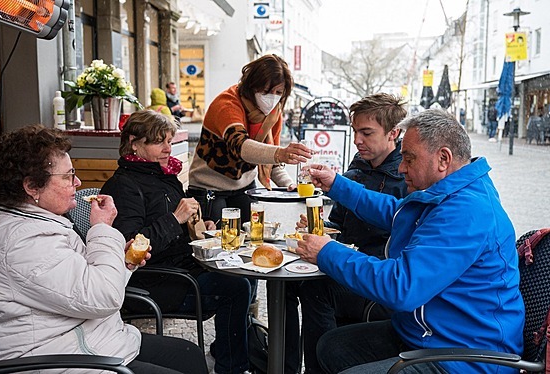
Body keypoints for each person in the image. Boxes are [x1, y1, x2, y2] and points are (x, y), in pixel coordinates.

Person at [296, 109, 524, 374]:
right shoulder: (449, 191)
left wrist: (327, 251)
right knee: (331, 347)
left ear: (443, 159)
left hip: (465, 357)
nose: (402, 167)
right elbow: (395, 211)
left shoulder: (467, 211)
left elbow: (401, 287)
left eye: (409, 158)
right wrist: (336, 183)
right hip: (426, 335)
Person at [0, 125, 207, 374]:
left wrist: (124, 261)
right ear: (32, 187)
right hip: (58, 358)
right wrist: (102, 229)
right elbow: (104, 297)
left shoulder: (40, 223)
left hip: (93, 339)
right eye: (68, 176)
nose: (78, 182)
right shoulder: (20, 243)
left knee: (188, 355)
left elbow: (86, 280)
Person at [100, 110, 252, 374]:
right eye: (160, 142)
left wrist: (199, 228)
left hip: (180, 270)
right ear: (135, 143)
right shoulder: (123, 186)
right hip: (155, 284)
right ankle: (232, 368)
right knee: (236, 287)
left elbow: (173, 229)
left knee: (244, 274)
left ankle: (229, 353)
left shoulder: (162, 176)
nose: (168, 148)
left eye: (169, 141)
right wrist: (175, 218)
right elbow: (129, 250)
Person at [295, 93, 408, 373]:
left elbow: (395, 228)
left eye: (366, 133)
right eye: (355, 131)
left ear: (393, 133)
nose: (358, 139)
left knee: (315, 289)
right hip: (353, 266)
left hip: (380, 278)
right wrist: (319, 230)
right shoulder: (357, 167)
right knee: (293, 285)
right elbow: (340, 227)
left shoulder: (409, 179)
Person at [187, 54, 313, 225]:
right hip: (210, 189)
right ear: (252, 85)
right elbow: (241, 146)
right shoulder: (227, 104)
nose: (272, 97)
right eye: (266, 91)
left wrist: (289, 185)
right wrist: (281, 153)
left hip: (244, 188)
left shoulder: (274, 114)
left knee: (252, 238)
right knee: (218, 243)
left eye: (278, 92)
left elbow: (271, 159)